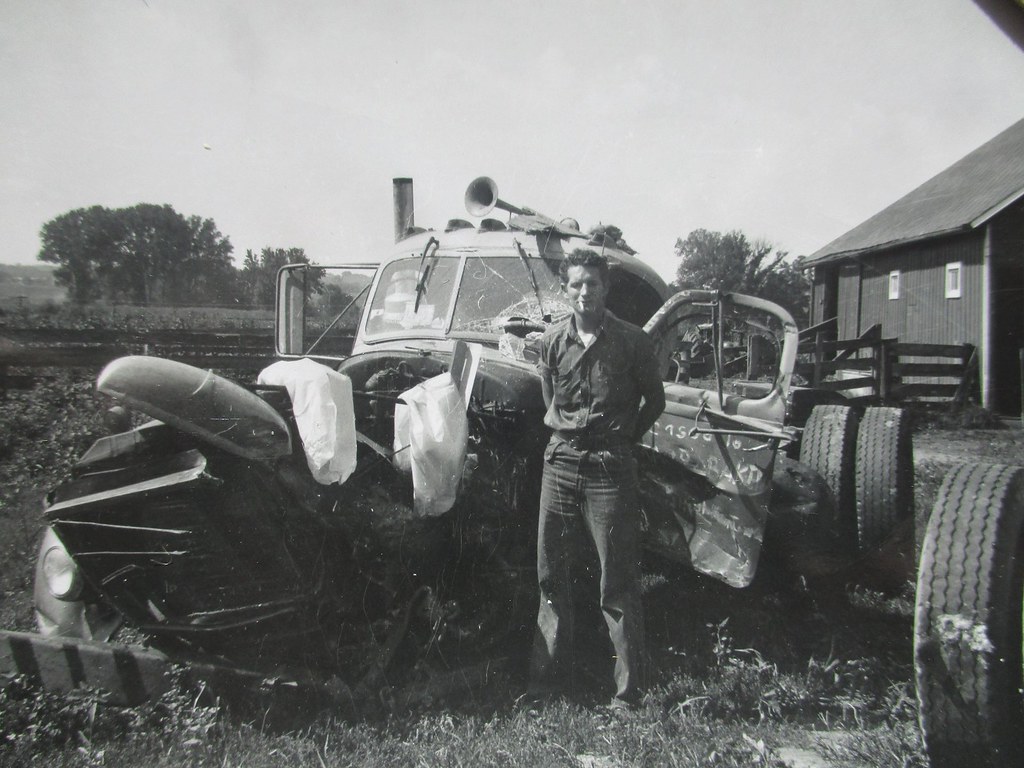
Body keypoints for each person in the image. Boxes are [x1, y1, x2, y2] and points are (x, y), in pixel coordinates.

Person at [527, 248, 666, 710]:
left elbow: (656, 401)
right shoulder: (551, 341)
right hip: (561, 465)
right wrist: (566, 431)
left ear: (605, 289)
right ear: (565, 289)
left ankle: (628, 696)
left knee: (618, 584)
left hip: (611, 469)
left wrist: (625, 439)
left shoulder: (632, 342)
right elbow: (550, 397)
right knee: (551, 578)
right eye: (575, 284)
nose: (584, 292)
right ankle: (547, 686)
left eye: (592, 284)